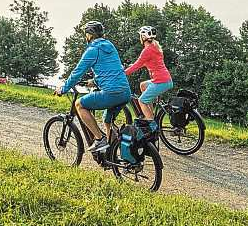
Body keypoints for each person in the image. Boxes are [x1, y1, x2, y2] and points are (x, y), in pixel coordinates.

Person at [55, 20, 131, 153]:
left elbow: (77, 73)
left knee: (79, 104)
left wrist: (63, 88)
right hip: (125, 92)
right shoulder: (110, 46)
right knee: (107, 121)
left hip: (111, 93)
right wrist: (95, 81)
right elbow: (113, 69)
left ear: (89, 35)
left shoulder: (92, 50)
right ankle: (113, 155)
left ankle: (99, 139)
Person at [124, 26, 173, 124]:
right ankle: (150, 115)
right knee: (143, 85)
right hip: (165, 79)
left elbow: (138, 64)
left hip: (160, 81)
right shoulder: (155, 47)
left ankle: (151, 125)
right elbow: (145, 62)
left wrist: (123, 73)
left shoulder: (147, 50)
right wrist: (131, 66)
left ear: (143, 37)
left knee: (141, 101)